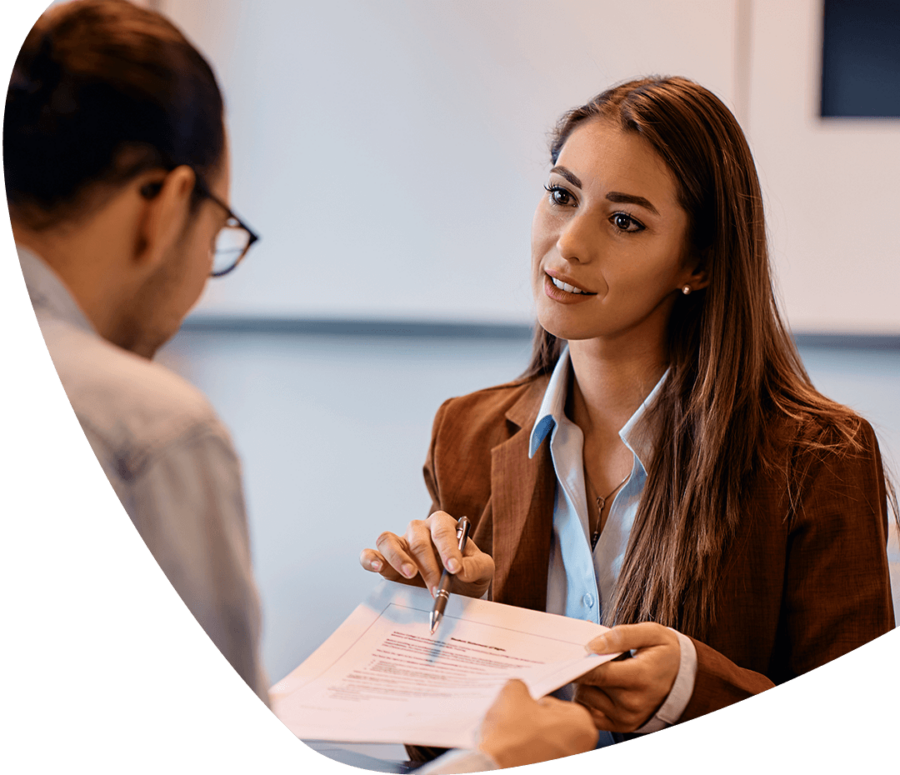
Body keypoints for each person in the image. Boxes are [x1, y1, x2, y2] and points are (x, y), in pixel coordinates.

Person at [7, 0, 597, 770]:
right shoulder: (151, 430)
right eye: (221, 231)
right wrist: (493, 758)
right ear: (166, 204)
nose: (572, 244)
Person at [361, 75, 897, 756]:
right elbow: (435, 752)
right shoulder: (465, 431)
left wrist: (697, 691)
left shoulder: (818, 454)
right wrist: (452, 622)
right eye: (561, 196)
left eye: (624, 221)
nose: (569, 245)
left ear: (698, 263)